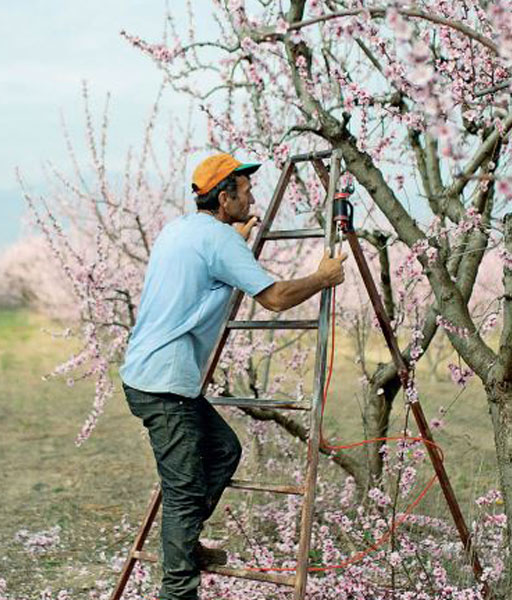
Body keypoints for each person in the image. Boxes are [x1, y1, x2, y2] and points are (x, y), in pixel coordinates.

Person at [118, 153, 347, 600]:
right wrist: (323, 277)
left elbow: (205, 265)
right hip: (166, 385)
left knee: (224, 449)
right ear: (225, 198)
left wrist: (233, 240)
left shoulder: (180, 230)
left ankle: (183, 544)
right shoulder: (221, 243)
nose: (253, 197)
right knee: (183, 495)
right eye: (245, 191)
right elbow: (276, 298)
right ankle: (179, 588)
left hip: (152, 376)